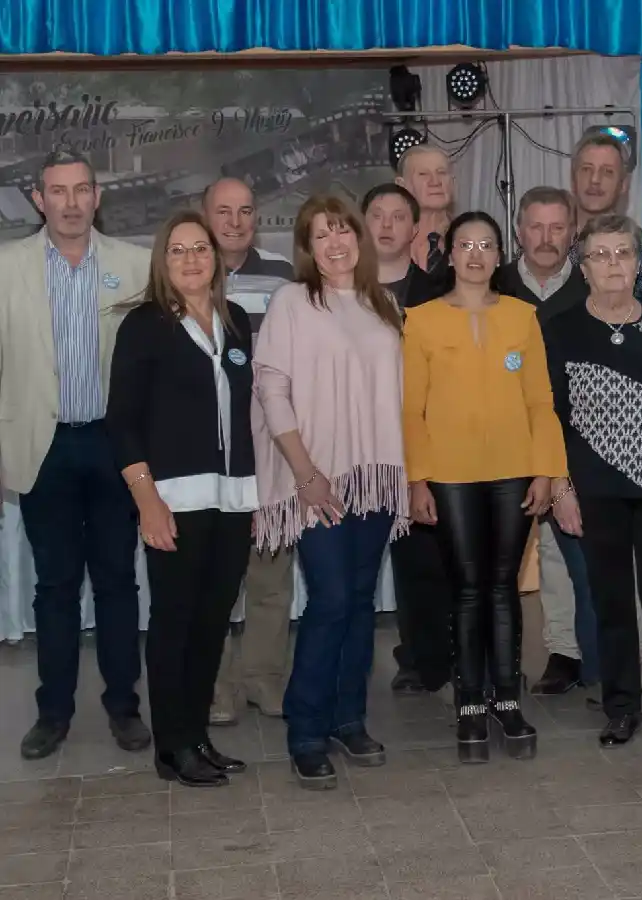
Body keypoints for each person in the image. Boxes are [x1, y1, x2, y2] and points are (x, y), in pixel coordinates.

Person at [0, 150, 152, 760]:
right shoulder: (7, 267)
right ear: (39, 199)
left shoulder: (136, 265)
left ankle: (124, 708)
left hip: (116, 444)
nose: (69, 202)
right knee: (55, 586)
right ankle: (53, 713)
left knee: (118, 582)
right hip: (43, 444)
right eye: (56, 191)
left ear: (97, 197)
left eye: (81, 190)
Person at [253, 194, 408, 789]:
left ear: (360, 239)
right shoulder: (292, 301)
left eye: (344, 231)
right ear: (307, 247)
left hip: (375, 479)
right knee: (331, 600)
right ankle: (306, 729)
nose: (336, 243)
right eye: (322, 235)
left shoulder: (382, 303)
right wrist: (304, 471)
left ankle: (349, 717)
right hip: (317, 479)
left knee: (362, 602)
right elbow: (272, 389)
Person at [403, 210, 567, 764]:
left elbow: (541, 401)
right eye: (466, 243)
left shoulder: (524, 316)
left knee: (503, 587)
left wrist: (547, 469)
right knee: (468, 588)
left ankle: (506, 698)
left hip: (514, 469)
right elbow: (411, 409)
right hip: (448, 473)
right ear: (449, 254)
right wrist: (416, 478)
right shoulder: (420, 320)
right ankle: (469, 702)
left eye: (487, 244)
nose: (476, 253)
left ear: (501, 254)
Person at [107, 210, 257, 787]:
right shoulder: (145, 325)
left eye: (201, 249)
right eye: (178, 251)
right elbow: (122, 422)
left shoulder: (237, 320)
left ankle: (196, 738)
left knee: (212, 623)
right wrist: (147, 501)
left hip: (233, 497)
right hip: (172, 498)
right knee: (174, 624)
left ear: (216, 259)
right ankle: (171, 747)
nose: (192, 259)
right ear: (162, 262)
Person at [544, 213, 642, 748]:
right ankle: (620, 707)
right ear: (582, 266)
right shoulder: (561, 329)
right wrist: (561, 487)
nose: (614, 264)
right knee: (609, 600)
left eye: (623, 254)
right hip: (595, 491)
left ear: (638, 263)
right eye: (601, 255)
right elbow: (551, 418)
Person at [495, 186, 597, 695]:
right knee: (500, 568)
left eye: (558, 227)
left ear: (573, 232)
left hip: (573, 446)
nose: (546, 237)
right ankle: (498, 670)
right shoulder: (494, 285)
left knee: (565, 556)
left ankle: (569, 654)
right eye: (535, 226)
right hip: (501, 447)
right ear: (518, 230)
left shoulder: (589, 287)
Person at [202, 176, 295, 726]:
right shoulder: (185, 266)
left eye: (245, 211)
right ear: (204, 215)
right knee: (214, 578)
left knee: (270, 576)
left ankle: (264, 679)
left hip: (269, 444)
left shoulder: (282, 274)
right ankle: (214, 686)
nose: (235, 222)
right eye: (223, 211)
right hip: (207, 447)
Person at [360, 182, 449, 694]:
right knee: (362, 561)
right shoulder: (341, 292)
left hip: (421, 443)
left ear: (416, 229)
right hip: (359, 444)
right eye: (377, 214)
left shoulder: (438, 293)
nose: (388, 225)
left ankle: (425, 657)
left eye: (399, 217)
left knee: (423, 557)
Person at [567, 131, 642, 297]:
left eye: (607, 172)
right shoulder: (552, 246)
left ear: (623, 185)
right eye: (586, 170)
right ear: (573, 180)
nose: (595, 180)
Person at [395, 144, 454, 272]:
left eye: (441, 172)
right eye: (423, 174)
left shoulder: (466, 240)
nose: (435, 181)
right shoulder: (386, 244)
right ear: (401, 185)